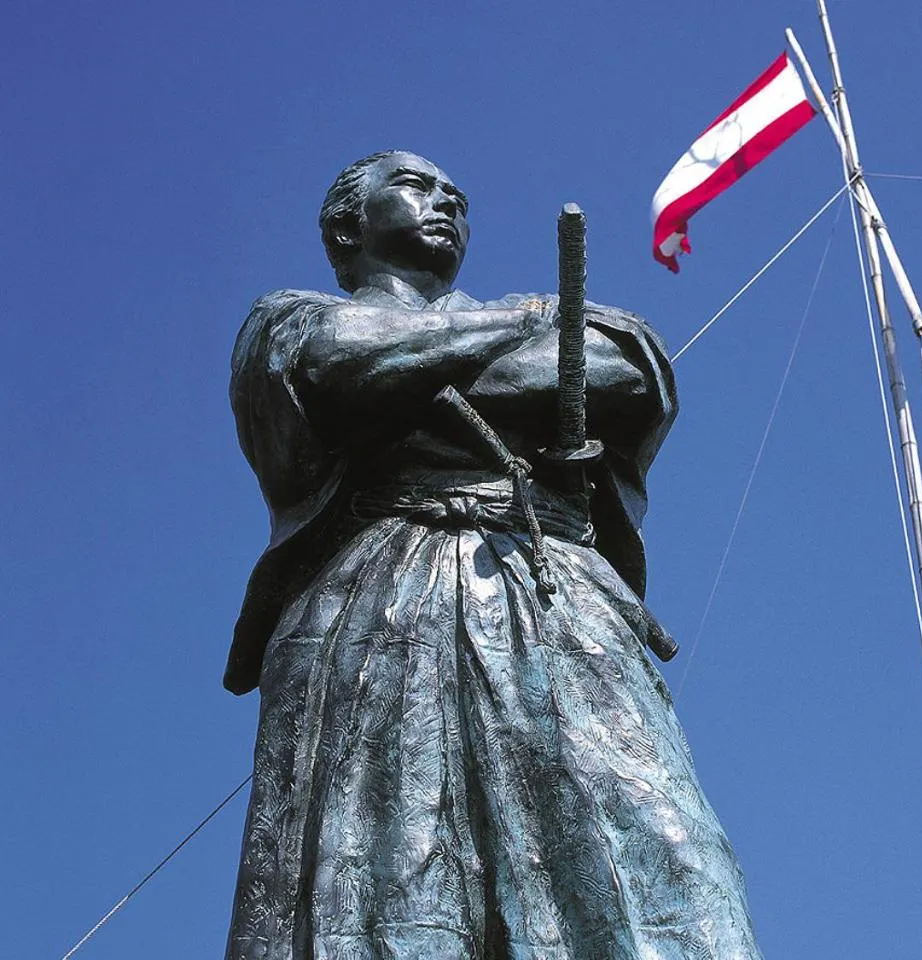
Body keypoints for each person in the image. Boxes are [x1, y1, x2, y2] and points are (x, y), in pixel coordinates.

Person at [224, 150, 763, 960]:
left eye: (458, 196)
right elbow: (341, 371)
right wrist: (527, 331)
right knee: (393, 886)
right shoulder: (287, 318)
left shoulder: (536, 316)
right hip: (380, 608)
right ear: (347, 225)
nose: (445, 202)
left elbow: (637, 376)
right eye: (415, 186)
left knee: (676, 865)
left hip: (553, 596)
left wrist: (428, 372)